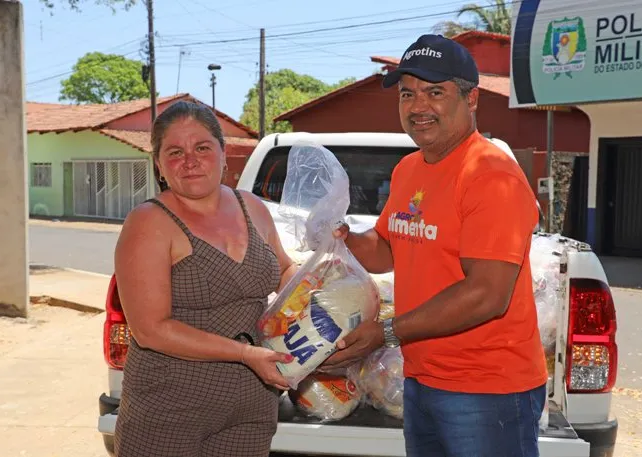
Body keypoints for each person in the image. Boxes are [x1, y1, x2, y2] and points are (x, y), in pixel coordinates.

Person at [320, 34, 549, 457]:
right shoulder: (410, 169)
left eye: (435, 92)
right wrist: (343, 238)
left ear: (472, 99)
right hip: (423, 379)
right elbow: (387, 248)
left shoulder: (491, 175)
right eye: (408, 94)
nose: (418, 106)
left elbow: (487, 295)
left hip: (487, 390)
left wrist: (386, 333)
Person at [113, 100, 298, 457]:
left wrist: (324, 282)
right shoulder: (149, 222)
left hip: (251, 408)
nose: (190, 160)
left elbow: (285, 271)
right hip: (168, 413)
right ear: (159, 165)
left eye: (202, 147)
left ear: (224, 153)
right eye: (175, 152)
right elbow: (150, 329)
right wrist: (244, 353)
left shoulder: (253, 207)